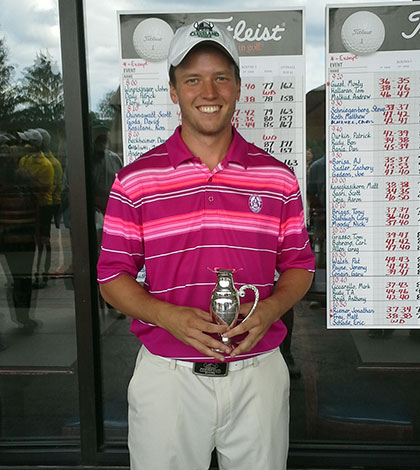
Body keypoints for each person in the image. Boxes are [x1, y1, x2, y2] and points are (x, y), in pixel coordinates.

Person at [97, 21, 315, 470]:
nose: (208, 91)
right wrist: (165, 315)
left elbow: (299, 265)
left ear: (237, 87)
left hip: (258, 375)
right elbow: (110, 277)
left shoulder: (277, 178)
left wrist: (271, 309)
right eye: (192, 79)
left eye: (220, 77)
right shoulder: (135, 180)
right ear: (174, 92)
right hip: (168, 379)